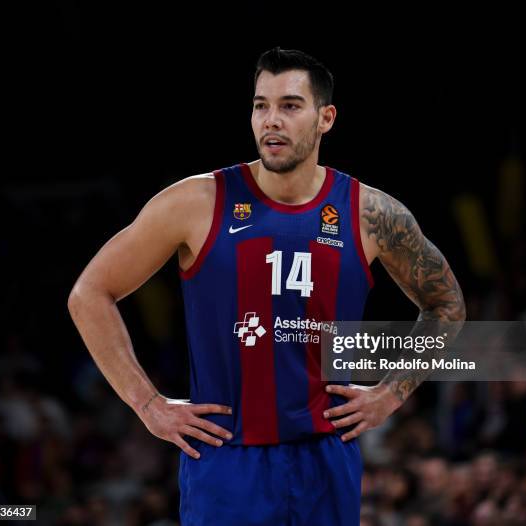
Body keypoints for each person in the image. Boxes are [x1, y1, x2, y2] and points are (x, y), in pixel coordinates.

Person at [68, 47, 466, 526]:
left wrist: (390, 394)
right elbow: (89, 294)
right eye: (261, 105)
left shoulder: (371, 213)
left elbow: (446, 304)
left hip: (325, 458)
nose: (271, 120)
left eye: (290, 106)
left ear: (326, 118)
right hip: (227, 461)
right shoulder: (197, 201)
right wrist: (147, 403)